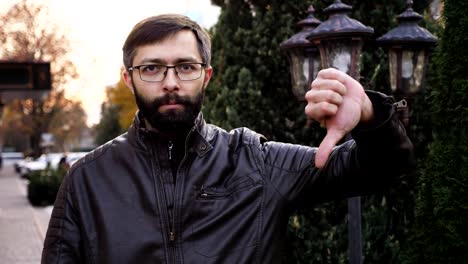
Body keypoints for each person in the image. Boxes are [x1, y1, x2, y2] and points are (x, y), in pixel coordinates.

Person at [41, 14, 414, 264]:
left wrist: (369, 115)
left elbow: (380, 168)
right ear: (129, 78)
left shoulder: (256, 162)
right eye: (151, 68)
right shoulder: (87, 179)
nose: (170, 82)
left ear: (206, 75)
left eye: (185, 67)